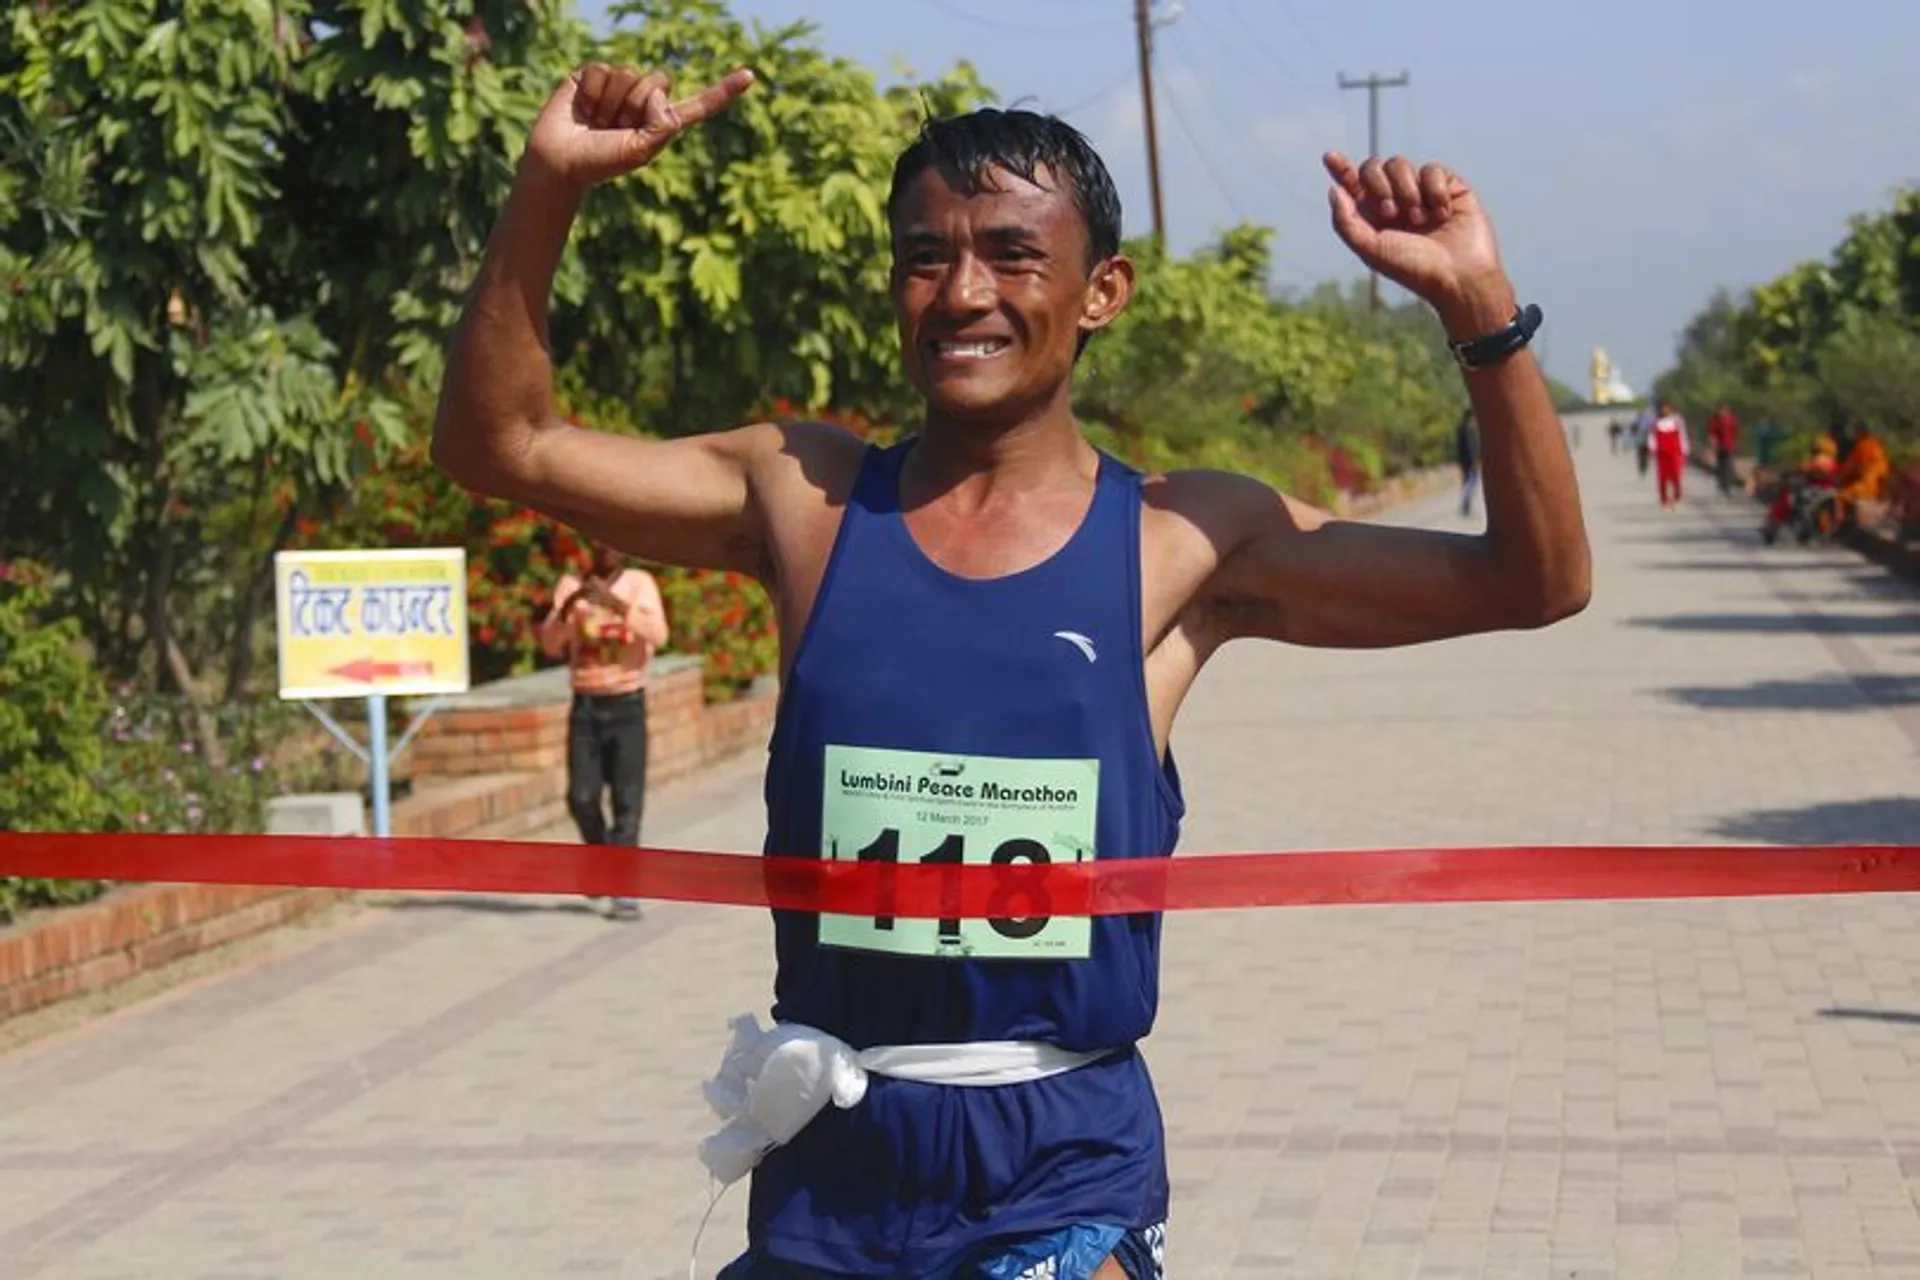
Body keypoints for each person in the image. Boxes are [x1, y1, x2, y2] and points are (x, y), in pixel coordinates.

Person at [432, 57, 1590, 1280]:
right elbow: (498, 442)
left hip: (1060, 1160)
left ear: (1103, 292)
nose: (961, 291)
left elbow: (1534, 581)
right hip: (836, 1150)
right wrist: (548, 184)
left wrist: (1478, 306)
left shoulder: (1182, 541)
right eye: (925, 256)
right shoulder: (805, 499)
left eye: (1011, 254)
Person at [537, 541, 669, 921]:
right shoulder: (570, 586)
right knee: (581, 797)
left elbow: (658, 634)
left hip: (628, 701)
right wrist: (567, 607)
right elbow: (550, 644)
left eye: (614, 542)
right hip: (587, 705)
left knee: (627, 802)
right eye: (598, 541)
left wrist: (616, 604)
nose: (607, 548)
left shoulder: (639, 583)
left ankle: (623, 890)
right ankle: (601, 862)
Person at [1649, 400, 1690, 508]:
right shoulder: (1656, 422)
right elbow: (1652, 437)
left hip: (1675, 451)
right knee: (1662, 476)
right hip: (1662, 453)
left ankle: (1677, 493)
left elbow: (1682, 435)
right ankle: (1664, 498)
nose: (1665, 411)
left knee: (1676, 473)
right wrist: (1652, 449)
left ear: (1671, 409)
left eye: (1667, 408)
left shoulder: (1677, 421)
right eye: (1663, 408)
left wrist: (1685, 449)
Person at [1706, 403, 1739, 497]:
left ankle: (1725, 484)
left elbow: (1711, 432)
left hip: (1725, 446)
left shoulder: (1719, 420)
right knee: (1725, 465)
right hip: (1725, 446)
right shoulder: (1730, 420)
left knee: (1724, 465)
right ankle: (1725, 485)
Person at [1454, 407, 1481, 516]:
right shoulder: (1470, 429)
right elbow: (1472, 446)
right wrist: (1475, 460)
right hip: (1470, 460)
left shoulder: (1460, 428)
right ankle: (1465, 504)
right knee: (1472, 482)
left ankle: (1466, 506)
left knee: (1467, 481)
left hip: (1463, 460)